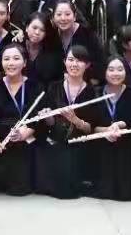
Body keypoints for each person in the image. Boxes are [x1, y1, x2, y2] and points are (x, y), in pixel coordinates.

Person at [35, 45, 96, 199]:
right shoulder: (53, 87)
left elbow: (90, 129)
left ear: (87, 65)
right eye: (71, 60)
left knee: (69, 164)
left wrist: (75, 119)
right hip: (56, 140)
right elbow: (49, 125)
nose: (74, 64)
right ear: (64, 62)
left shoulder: (92, 91)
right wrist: (47, 117)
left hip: (80, 142)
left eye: (79, 61)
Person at [89, 55, 131, 201]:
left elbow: (130, 121)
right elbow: (92, 125)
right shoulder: (95, 93)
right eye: (111, 69)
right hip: (101, 140)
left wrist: (117, 126)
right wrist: (106, 131)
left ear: (125, 71)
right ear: (104, 72)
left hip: (124, 139)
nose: (115, 73)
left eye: (120, 69)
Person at [0, 44, 42, 196]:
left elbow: (37, 118)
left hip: (25, 137)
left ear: (24, 63)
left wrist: (24, 134)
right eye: (6, 59)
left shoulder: (34, 85)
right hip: (1, 139)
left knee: (20, 187)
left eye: (16, 58)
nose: (11, 63)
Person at [51, 0, 102, 82]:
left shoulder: (87, 34)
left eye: (67, 14)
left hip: (84, 82)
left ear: (74, 16)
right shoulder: (51, 35)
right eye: (59, 14)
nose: (63, 18)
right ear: (53, 17)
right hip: (58, 84)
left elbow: (99, 64)